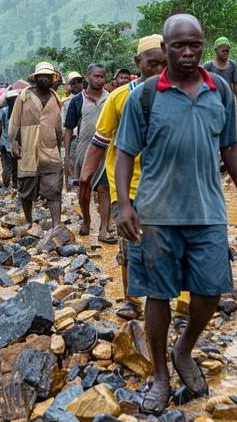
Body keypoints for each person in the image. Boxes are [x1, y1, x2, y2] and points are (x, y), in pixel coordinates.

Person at [115, 14, 237, 414]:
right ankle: (160, 374)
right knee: (158, 295)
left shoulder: (221, 91)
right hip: (156, 213)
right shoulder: (144, 95)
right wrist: (124, 204)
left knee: (211, 289)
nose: (189, 52)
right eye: (179, 45)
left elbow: (230, 148)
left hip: (208, 210)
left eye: (195, 43)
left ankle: (184, 349)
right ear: (165, 47)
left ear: (203, 43)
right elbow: (125, 151)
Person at [80, 34, 192, 325]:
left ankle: (181, 306)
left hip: (171, 185)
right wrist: (85, 176)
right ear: (137, 63)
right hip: (128, 187)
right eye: (151, 64)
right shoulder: (119, 97)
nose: (158, 70)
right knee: (131, 246)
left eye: (163, 64)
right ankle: (131, 300)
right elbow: (101, 141)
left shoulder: (182, 93)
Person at [9, 63, 64, 230]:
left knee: (54, 189)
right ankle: (29, 222)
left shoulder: (56, 99)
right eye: (41, 76)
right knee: (26, 189)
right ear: (36, 78)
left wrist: (59, 148)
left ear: (52, 79)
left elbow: (58, 127)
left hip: (50, 150)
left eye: (47, 76)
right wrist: (13, 143)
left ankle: (56, 226)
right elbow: (15, 122)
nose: (44, 79)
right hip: (28, 147)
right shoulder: (25, 96)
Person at [64, 64, 110, 240]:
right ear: (87, 78)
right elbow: (69, 129)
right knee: (84, 189)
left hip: (106, 152)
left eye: (102, 77)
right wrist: (67, 157)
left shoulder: (110, 99)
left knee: (104, 188)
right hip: (84, 151)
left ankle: (104, 229)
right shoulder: (77, 101)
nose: (99, 80)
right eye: (96, 76)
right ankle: (87, 222)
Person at [203, 37, 237, 112]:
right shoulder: (208, 66)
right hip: (213, 100)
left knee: (229, 121)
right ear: (216, 50)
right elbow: (203, 84)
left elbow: (235, 83)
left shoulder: (232, 65)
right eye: (223, 51)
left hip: (228, 99)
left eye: (227, 51)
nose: (225, 53)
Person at [0, 89, 18, 188]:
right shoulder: (4, 112)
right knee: (7, 167)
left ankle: (14, 186)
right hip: (5, 144)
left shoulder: (20, 112)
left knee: (16, 167)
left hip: (16, 144)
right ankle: (5, 186)